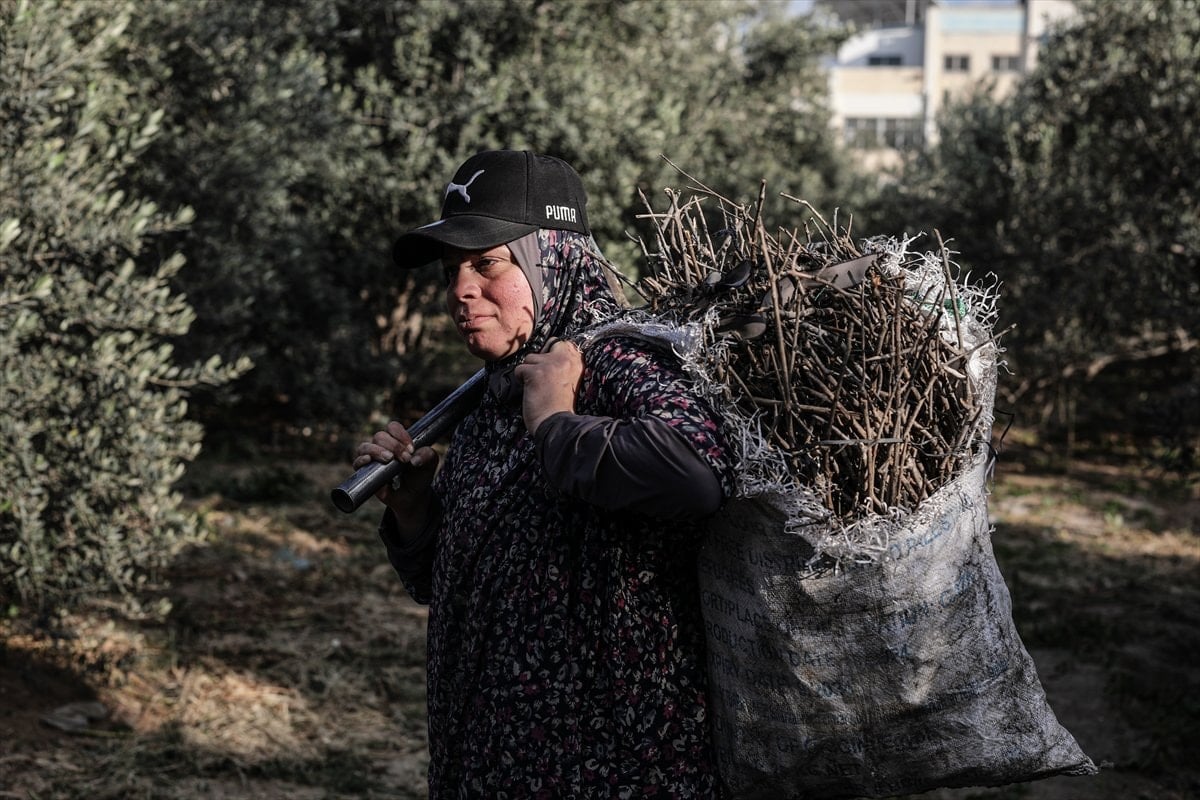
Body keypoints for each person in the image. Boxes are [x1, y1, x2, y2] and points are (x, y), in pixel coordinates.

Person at [354, 150, 735, 798]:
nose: (460, 291)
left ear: (553, 258)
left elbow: (696, 472)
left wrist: (557, 423)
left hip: (609, 770)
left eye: (487, 263)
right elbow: (453, 586)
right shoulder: (497, 392)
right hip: (489, 763)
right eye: (451, 272)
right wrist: (415, 513)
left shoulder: (617, 364)